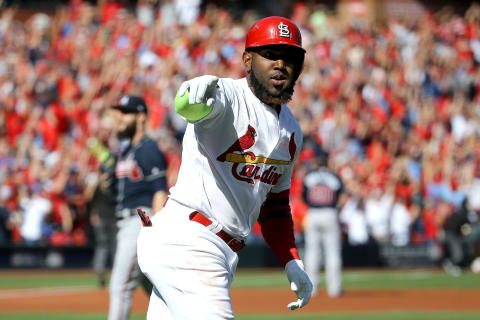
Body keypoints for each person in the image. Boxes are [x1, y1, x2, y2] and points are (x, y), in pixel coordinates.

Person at [137, 16, 313, 319]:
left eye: (289, 57)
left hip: (216, 251)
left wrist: (291, 260)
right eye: (270, 54)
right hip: (190, 240)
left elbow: (275, 208)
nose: (280, 63)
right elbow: (194, 106)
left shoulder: (292, 131)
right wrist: (189, 97)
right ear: (247, 59)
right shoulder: (228, 97)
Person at [108, 95, 168, 320]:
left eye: (126, 112)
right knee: (152, 285)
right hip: (126, 221)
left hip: (140, 219)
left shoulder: (148, 148)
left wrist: (156, 230)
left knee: (120, 285)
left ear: (141, 117)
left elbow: (159, 191)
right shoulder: (126, 150)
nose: (119, 117)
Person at [302, 150, 345, 298]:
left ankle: (311, 289)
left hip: (313, 213)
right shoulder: (334, 176)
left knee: (311, 252)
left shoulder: (309, 176)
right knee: (332, 252)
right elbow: (342, 196)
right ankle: (335, 289)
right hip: (330, 212)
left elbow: (304, 196)